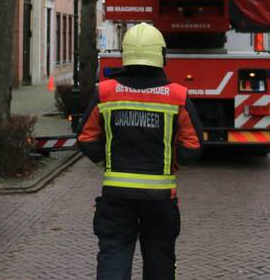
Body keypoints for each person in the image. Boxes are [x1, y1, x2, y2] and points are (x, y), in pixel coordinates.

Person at [77, 23, 203, 280]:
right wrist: (171, 163)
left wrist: (106, 160)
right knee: (159, 258)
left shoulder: (105, 92)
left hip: (116, 195)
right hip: (160, 198)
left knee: (113, 255)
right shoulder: (177, 96)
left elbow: (86, 138)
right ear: (161, 55)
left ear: (126, 54)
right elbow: (193, 147)